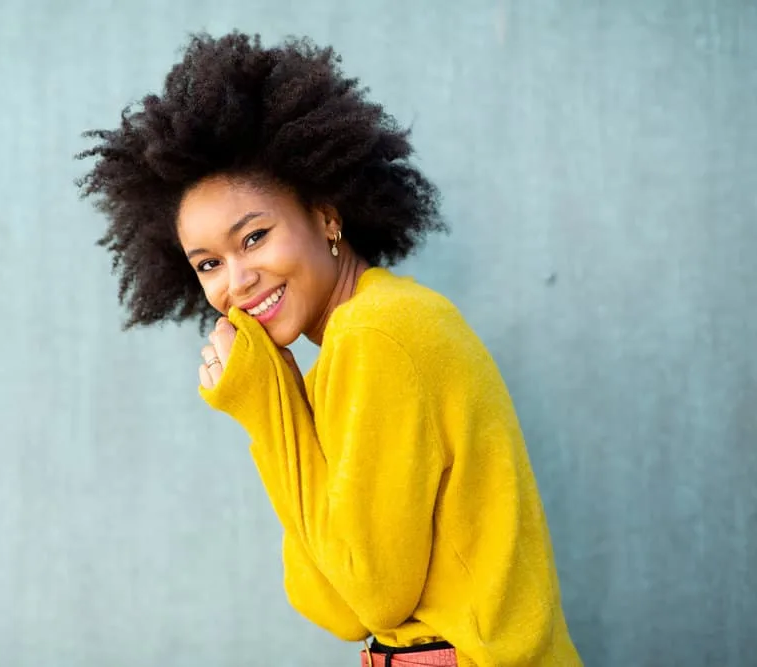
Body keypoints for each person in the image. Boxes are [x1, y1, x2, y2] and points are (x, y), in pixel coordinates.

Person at [76, 31, 582, 667]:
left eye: (255, 237)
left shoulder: (377, 335)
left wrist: (265, 407)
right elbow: (334, 608)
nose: (236, 281)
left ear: (325, 215)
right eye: (208, 264)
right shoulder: (356, 341)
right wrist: (283, 400)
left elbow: (372, 598)